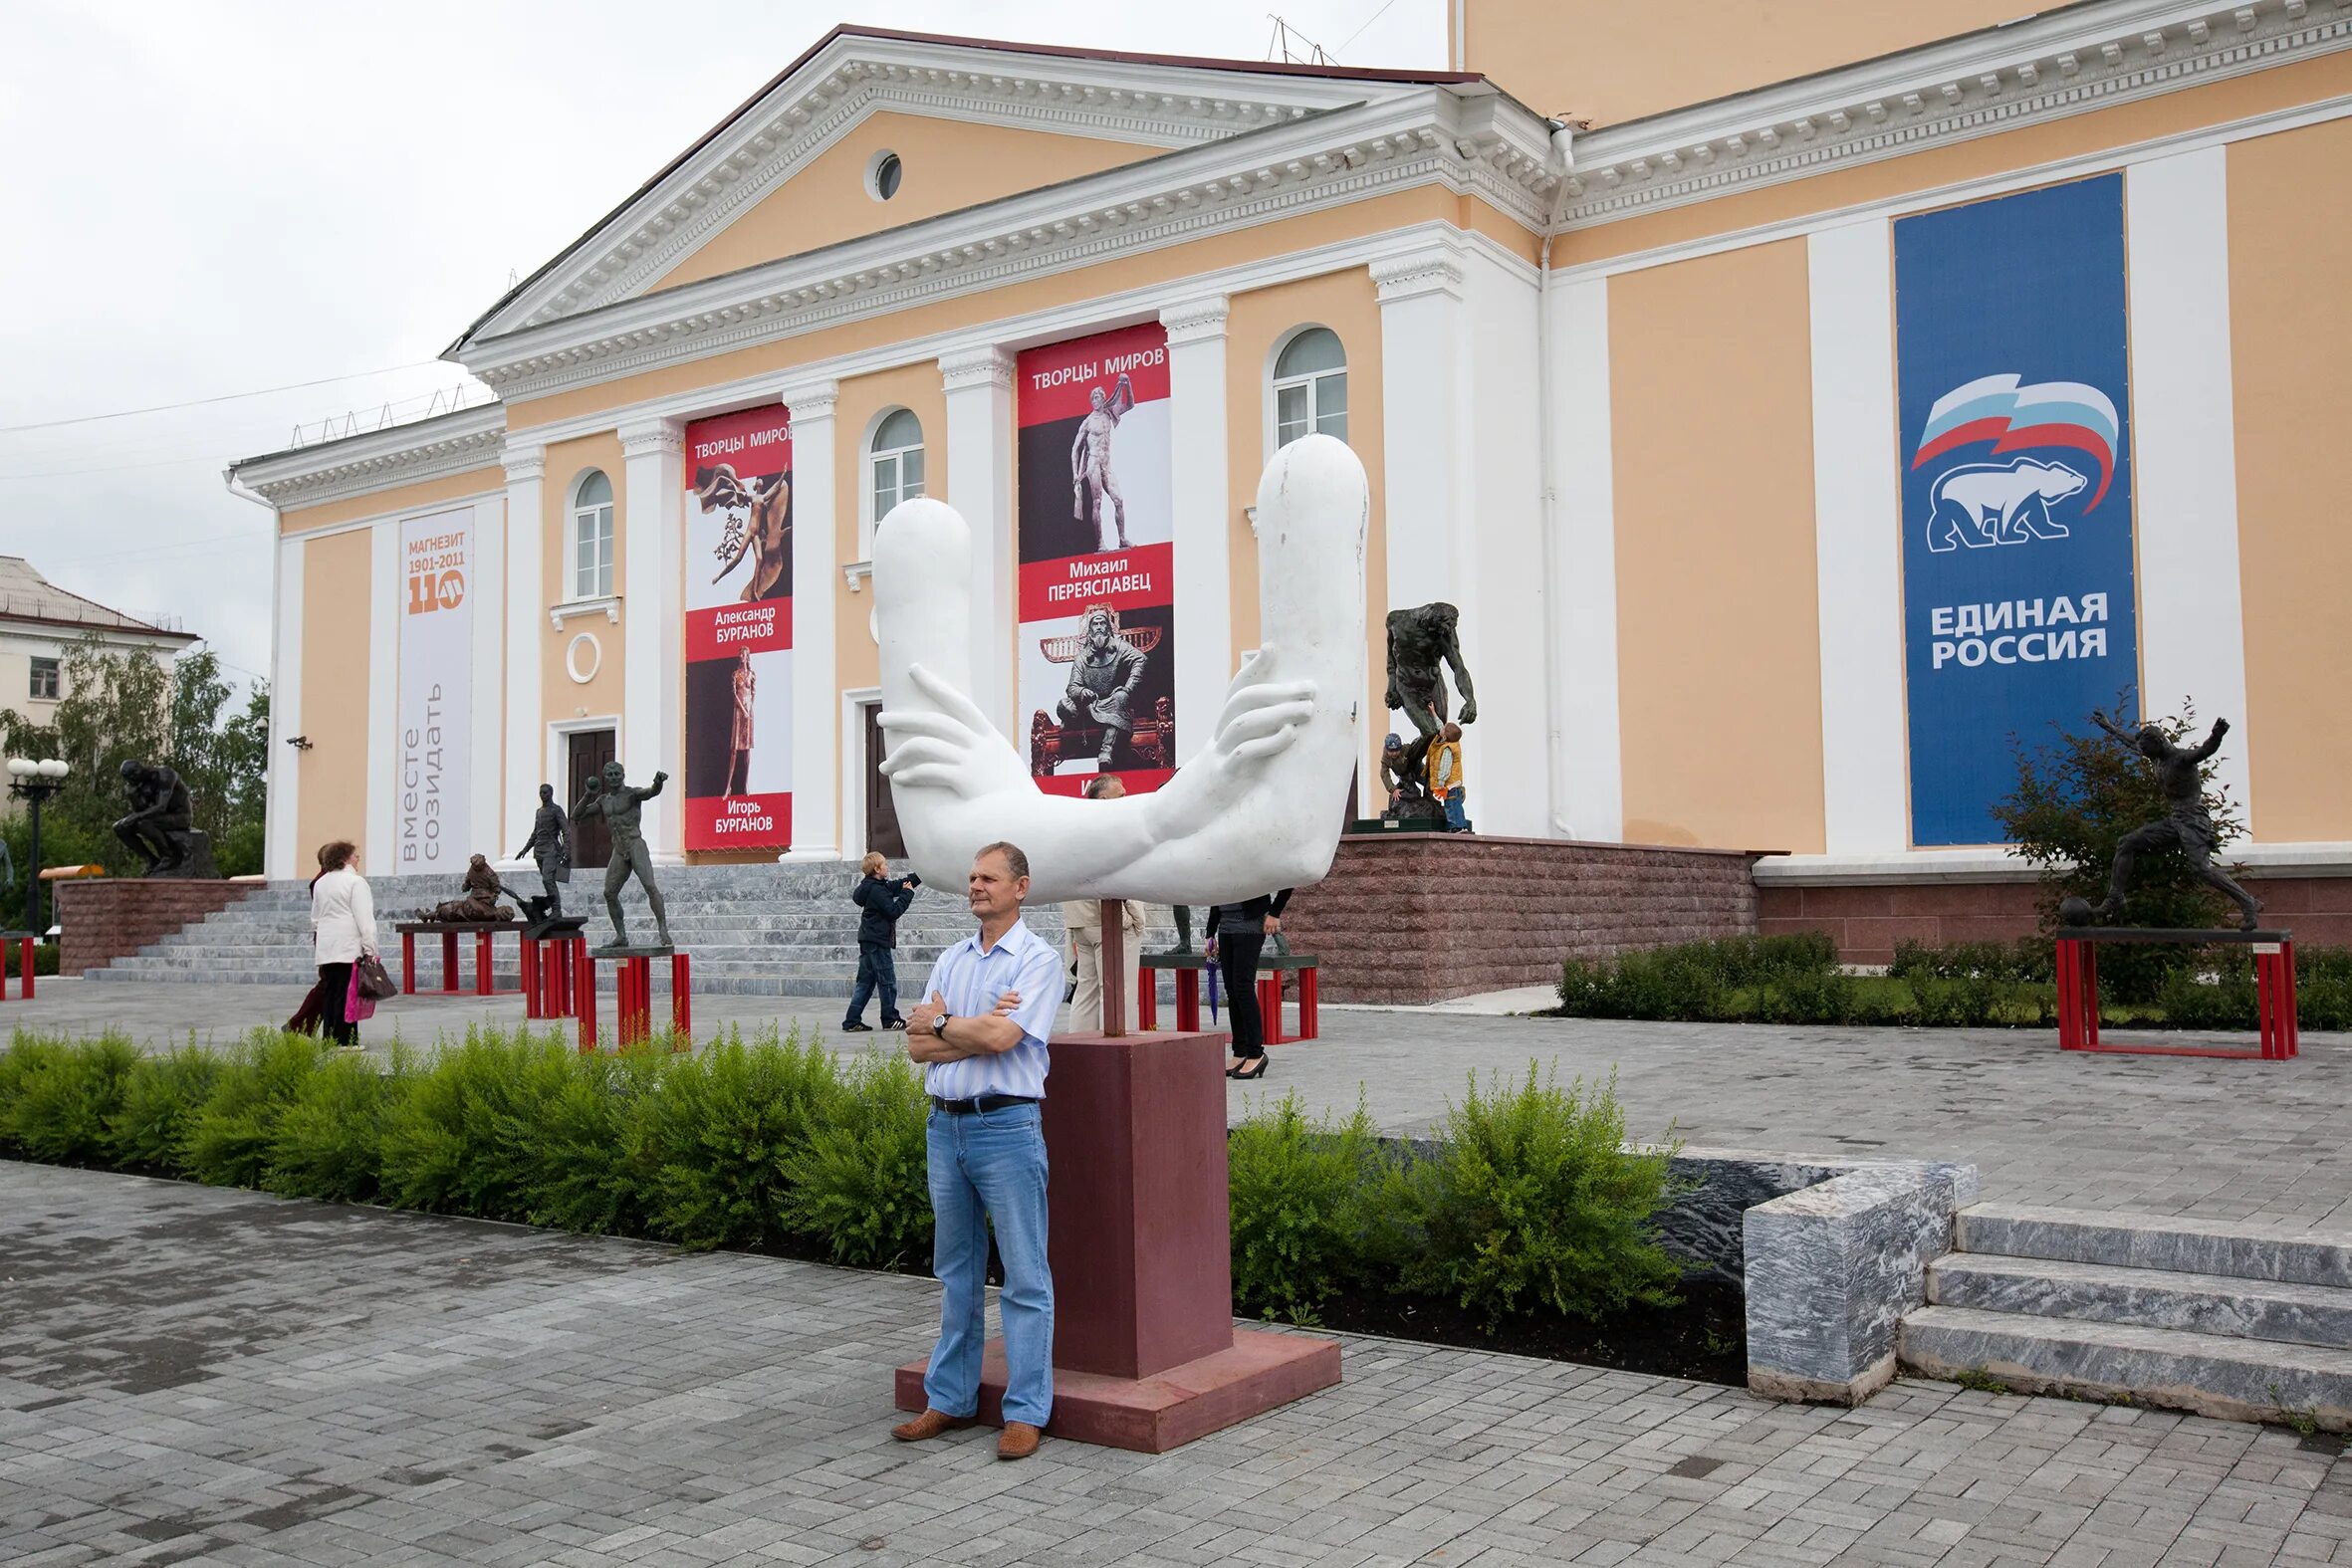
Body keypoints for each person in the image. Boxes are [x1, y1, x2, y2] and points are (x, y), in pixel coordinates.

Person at [891, 842, 1063, 1461]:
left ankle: (1025, 1411)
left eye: (988, 877)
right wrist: (966, 1030)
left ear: (1021, 887)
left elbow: (1002, 1035)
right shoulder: (951, 958)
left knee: (1023, 1274)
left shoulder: (1039, 961)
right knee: (956, 1271)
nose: (975, 886)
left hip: (1006, 1128)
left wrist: (946, 1024)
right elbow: (916, 1047)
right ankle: (951, 1399)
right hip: (946, 1127)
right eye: (971, 877)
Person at [2088, 711, 2262, 929]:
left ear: (2158, 742)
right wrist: (2109, 726)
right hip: (2174, 820)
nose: (2142, 753)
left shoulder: (2181, 759)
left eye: (2145, 749)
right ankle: (2115, 897)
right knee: (2126, 843)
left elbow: (2204, 751)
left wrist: (2216, 735)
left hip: (2193, 819)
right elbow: (2130, 741)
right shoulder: (2155, 755)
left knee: (2201, 868)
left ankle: (2248, 903)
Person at [1058, 777, 1145, 1030]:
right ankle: (1122, 1052)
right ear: (1103, 799)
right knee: (1119, 992)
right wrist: (1131, 917)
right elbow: (1113, 876)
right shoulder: (1106, 829)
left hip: (1082, 920)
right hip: (1109, 918)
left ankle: (1082, 1051)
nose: (1125, 799)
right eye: (1120, 795)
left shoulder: (1074, 829)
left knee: (1086, 990)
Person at [1209, 888, 1292, 1080]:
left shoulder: (1256, 858)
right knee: (1231, 989)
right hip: (1226, 927)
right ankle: (1240, 1052)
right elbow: (1214, 891)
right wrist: (1210, 932)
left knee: (1242, 987)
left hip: (1250, 925)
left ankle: (1256, 1053)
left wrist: (1274, 912)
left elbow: (1289, 881)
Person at [308, 840, 377, 1050]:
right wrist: (370, 948)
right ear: (345, 858)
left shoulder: (321, 883)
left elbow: (315, 918)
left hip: (327, 946)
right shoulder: (355, 882)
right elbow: (364, 919)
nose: (358, 859)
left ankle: (329, 1038)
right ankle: (345, 1041)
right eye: (356, 856)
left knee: (331, 993)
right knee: (348, 994)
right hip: (348, 946)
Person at [844, 851, 920, 1031]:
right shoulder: (877, 890)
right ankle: (890, 1019)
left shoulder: (874, 886)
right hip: (877, 942)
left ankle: (851, 1021)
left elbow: (894, 886)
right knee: (887, 982)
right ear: (877, 869)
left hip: (868, 940)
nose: (887, 867)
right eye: (884, 864)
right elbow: (893, 910)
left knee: (865, 982)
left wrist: (918, 878)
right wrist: (907, 894)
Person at [1428, 722, 1468, 832]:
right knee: (1458, 806)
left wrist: (1440, 783)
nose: (1441, 729)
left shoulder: (1447, 749)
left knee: (1451, 806)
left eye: (1443, 729)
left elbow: (1445, 767)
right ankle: (1462, 826)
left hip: (1449, 785)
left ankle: (1455, 827)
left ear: (1444, 736)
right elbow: (1442, 727)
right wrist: (1434, 714)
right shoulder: (1455, 743)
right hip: (1456, 783)